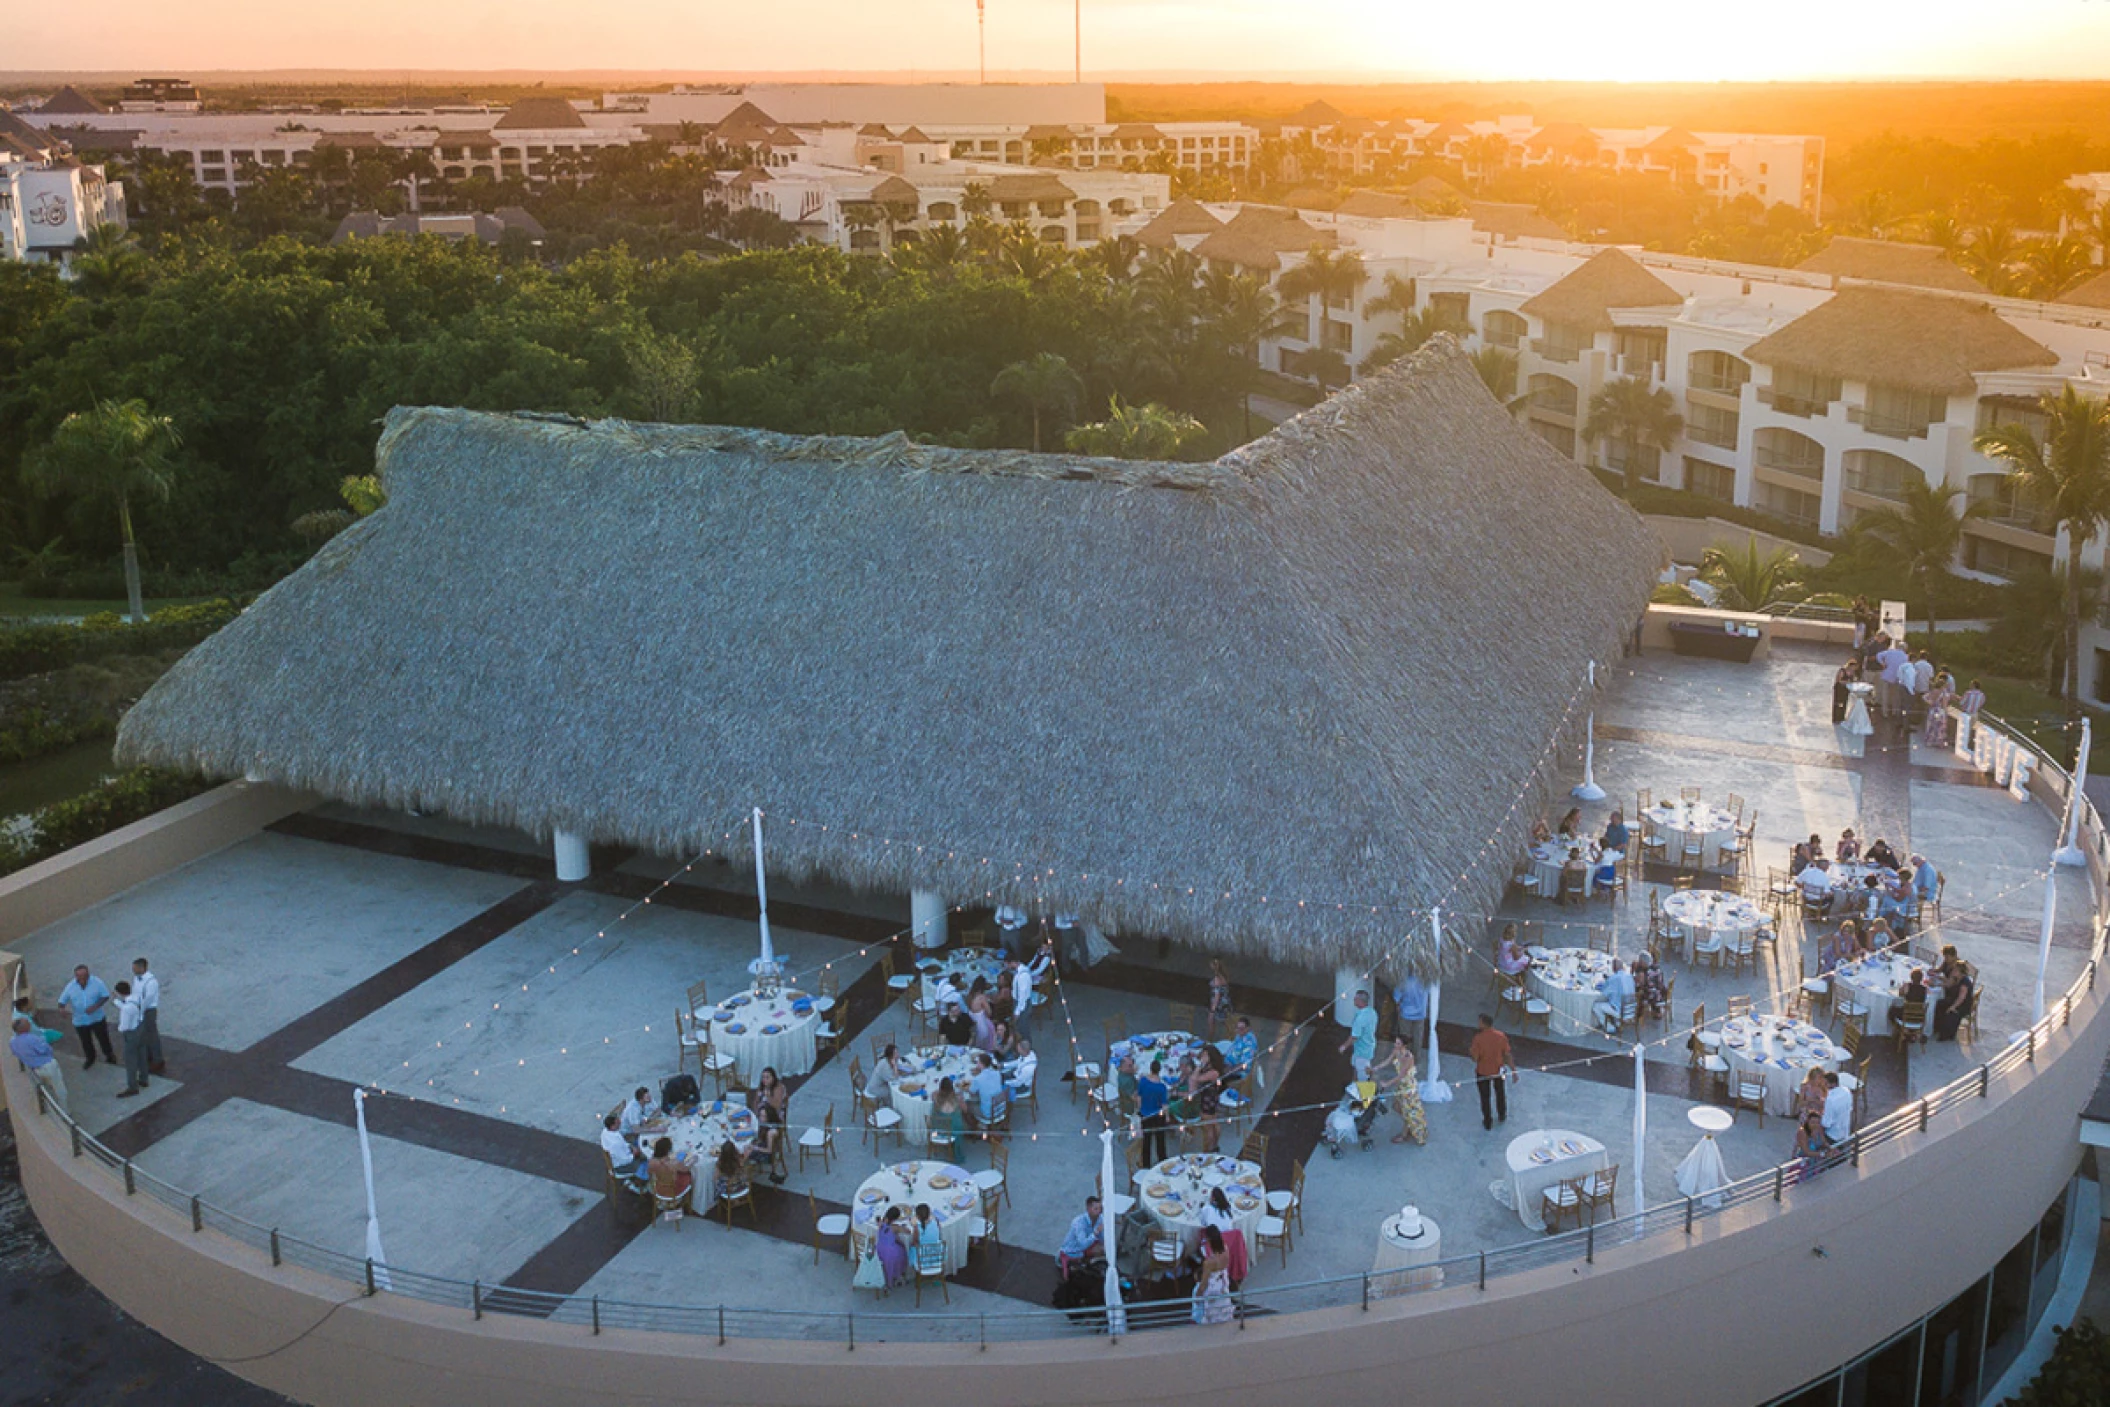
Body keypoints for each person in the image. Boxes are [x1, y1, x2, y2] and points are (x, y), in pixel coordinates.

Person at [56, 964, 115, 1069]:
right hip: (80, 1021)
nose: (83, 979)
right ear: (76, 976)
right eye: (80, 977)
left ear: (88, 974)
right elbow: (62, 1001)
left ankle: (109, 1055)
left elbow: (105, 996)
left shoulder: (97, 982)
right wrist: (61, 1009)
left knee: (103, 1039)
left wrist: (95, 1006)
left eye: (85, 976)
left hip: (97, 1018)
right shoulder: (70, 986)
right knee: (85, 1041)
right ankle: (90, 1058)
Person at [10, 1015, 68, 1115]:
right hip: (48, 1066)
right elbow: (46, 1050)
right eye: (28, 1024)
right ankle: (65, 1112)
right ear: (24, 1028)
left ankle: (52, 1109)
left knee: (44, 1090)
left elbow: (16, 1054)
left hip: (34, 1070)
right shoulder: (33, 1038)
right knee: (59, 1089)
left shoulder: (13, 1042)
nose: (30, 1025)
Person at [1376, 1036, 1428, 1146]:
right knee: (1396, 1107)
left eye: (1398, 1043)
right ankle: (1408, 1124)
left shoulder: (1408, 1057)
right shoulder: (1396, 1051)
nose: (1395, 1045)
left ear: (1404, 1045)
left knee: (1407, 1111)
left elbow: (1401, 1075)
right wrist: (1376, 1068)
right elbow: (1388, 1061)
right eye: (1395, 1043)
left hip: (1408, 1087)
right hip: (1401, 1086)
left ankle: (1405, 1134)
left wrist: (1387, 1083)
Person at [1470, 1013, 1513, 1132]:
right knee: (1500, 1093)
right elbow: (1507, 1053)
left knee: (1485, 1097)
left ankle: (1488, 1121)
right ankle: (1502, 1114)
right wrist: (1513, 1070)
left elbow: (1475, 1057)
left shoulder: (1478, 1038)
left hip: (1483, 1071)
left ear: (1483, 1023)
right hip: (1498, 1070)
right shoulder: (1501, 1036)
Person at [1007, 940, 1054, 1042]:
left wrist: (1017, 1012)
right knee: (1020, 1027)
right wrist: (1028, 968)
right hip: (1028, 976)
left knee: (1023, 1028)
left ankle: (1025, 1046)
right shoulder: (1037, 954)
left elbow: (1023, 997)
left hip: (1035, 977)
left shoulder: (1024, 976)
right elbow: (1033, 961)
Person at [112, 980, 150, 1097]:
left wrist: (119, 1028)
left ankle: (132, 1086)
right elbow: (127, 1006)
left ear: (120, 993)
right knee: (142, 1055)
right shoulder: (137, 998)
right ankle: (144, 1078)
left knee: (130, 1061)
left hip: (131, 1034)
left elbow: (124, 1026)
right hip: (140, 1028)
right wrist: (116, 1001)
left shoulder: (127, 1009)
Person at [1191, 1224, 1234, 1326]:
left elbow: (1204, 1284)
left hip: (1213, 1285)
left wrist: (1197, 1296)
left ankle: (1198, 1319)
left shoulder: (1209, 1263)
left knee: (1196, 1293)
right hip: (1222, 1281)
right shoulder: (1225, 1248)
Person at [130, 957, 164, 1074]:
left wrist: (139, 1008)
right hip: (139, 1009)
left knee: (152, 1035)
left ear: (142, 968)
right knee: (144, 1034)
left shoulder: (151, 982)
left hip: (148, 1010)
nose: (133, 970)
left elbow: (148, 998)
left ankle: (157, 1059)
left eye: (135, 968)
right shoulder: (136, 979)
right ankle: (148, 1055)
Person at [1136, 1058, 1172, 1165]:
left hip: (1145, 1115)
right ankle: (1162, 1161)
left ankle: (1146, 1163)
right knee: (1160, 1141)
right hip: (1157, 1116)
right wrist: (1167, 1116)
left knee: (1146, 1141)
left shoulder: (1143, 1081)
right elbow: (1164, 1105)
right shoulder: (1161, 1087)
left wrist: (1140, 1109)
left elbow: (1139, 1097)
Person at [1338, 988, 1378, 1079]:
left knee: (1362, 1073)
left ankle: (1361, 1088)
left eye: (1355, 999)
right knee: (1358, 1069)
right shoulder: (1372, 1012)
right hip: (1369, 1046)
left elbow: (1354, 1036)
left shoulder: (1360, 1019)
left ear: (1360, 1001)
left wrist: (1343, 1047)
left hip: (1362, 1050)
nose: (1354, 1000)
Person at [651, 1136, 695, 1212]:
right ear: (668, 1150)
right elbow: (686, 1169)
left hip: (658, 1188)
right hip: (673, 1191)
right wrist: (694, 1160)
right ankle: (680, 1201)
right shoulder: (674, 1163)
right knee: (690, 1175)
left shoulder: (652, 1160)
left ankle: (665, 1202)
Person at [1933, 962, 1976, 1041]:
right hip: (1954, 999)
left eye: (1956, 970)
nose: (1953, 971)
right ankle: (1937, 1027)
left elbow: (1961, 998)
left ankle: (1946, 1035)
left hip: (1962, 1005)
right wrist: (1936, 984)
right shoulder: (1955, 978)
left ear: (1961, 972)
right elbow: (1948, 984)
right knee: (1939, 1004)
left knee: (1950, 1013)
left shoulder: (1965, 983)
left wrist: (1952, 1007)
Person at [1059, 1195, 1104, 1269]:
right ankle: (1083, 1263)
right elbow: (1083, 1244)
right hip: (1074, 1249)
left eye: (1100, 1209)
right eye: (1096, 1209)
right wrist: (1096, 1233)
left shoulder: (1100, 1218)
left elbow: (1101, 1237)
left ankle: (1088, 1262)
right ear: (1088, 1209)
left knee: (1103, 1249)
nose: (1099, 1212)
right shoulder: (1079, 1222)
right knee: (1099, 1250)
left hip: (1087, 1243)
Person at [747, 1100, 787, 1183]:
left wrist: (755, 1147)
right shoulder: (769, 1125)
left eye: (764, 1116)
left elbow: (769, 1151)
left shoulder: (770, 1132)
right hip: (763, 1146)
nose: (761, 1119)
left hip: (767, 1155)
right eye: (761, 1116)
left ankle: (743, 1176)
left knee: (744, 1151)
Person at [1592, 959, 1635, 1034]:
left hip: (1621, 1011)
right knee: (1615, 999)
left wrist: (1598, 984)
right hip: (1632, 1010)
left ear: (1613, 968)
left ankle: (1610, 1028)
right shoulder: (1630, 977)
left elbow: (1604, 993)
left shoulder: (1613, 978)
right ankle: (1617, 1022)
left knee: (1596, 1006)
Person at [599, 1113, 645, 1180]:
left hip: (620, 1156)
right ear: (612, 1126)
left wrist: (631, 1147)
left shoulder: (606, 1131)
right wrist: (635, 1154)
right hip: (622, 1166)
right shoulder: (615, 1144)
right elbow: (625, 1160)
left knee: (636, 1143)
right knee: (647, 1161)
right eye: (618, 1122)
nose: (620, 1122)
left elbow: (623, 1144)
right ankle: (640, 1183)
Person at [968, 1052, 1007, 1126]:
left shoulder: (978, 1079)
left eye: (978, 1062)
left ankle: (975, 1127)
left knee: (968, 1104)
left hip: (988, 1113)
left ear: (981, 1064)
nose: (977, 1064)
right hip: (1001, 1109)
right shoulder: (997, 1073)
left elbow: (971, 1092)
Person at [1889, 967, 1930, 1037]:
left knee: (1891, 1011)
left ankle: (1903, 1029)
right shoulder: (1925, 989)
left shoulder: (1907, 986)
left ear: (1911, 977)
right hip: (1919, 1017)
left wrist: (1902, 987)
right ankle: (1914, 1031)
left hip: (1906, 1015)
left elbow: (1900, 994)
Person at [1391, 974, 1429, 1049]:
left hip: (1406, 1013)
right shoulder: (1426, 981)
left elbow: (1396, 997)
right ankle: (1416, 1057)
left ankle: (1405, 1057)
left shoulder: (1403, 981)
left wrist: (1398, 1008)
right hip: (1421, 1014)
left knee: (1405, 1038)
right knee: (1418, 1038)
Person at [877, 1205, 911, 1287]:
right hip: (890, 1252)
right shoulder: (895, 1227)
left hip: (880, 1249)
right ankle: (899, 1274)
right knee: (904, 1253)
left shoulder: (881, 1222)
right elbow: (908, 1231)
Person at [930, 1077, 968, 1149]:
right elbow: (965, 1110)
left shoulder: (935, 1096)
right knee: (963, 1119)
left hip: (939, 1129)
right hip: (953, 1131)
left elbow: (933, 1093)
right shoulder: (958, 1099)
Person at [1218, 1016, 1258, 1080]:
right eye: (1237, 1028)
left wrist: (1229, 1070)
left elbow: (1244, 1065)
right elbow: (1232, 1050)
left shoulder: (1249, 1044)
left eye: (1241, 1029)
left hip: (1237, 1072)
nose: (1239, 1031)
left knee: (1214, 1076)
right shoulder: (1240, 1035)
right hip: (1227, 1064)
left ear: (1248, 1028)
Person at [1820, 1071, 1853, 1147]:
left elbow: (1826, 1123)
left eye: (1825, 1083)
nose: (1823, 1086)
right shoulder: (1847, 1091)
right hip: (1844, 1132)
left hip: (1832, 1135)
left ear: (1833, 1084)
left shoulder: (1830, 1100)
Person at [1633, 951, 1669, 1020]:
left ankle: (1639, 1015)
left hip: (1654, 996)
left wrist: (1635, 974)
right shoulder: (1656, 967)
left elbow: (1641, 984)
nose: (1639, 963)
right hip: (1662, 992)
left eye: (1640, 961)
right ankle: (1656, 1010)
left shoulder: (1647, 972)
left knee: (1639, 994)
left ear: (1644, 962)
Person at [1923, 672, 1955, 747]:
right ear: (1943, 685)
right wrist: (1946, 713)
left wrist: (1929, 702)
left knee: (1931, 726)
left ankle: (1929, 741)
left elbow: (1924, 697)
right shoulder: (1945, 693)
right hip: (1940, 711)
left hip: (1933, 710)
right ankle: (1939, 742)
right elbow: (1944, 705)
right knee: (1940, 727)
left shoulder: (1934, 691)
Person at [1003, 1036, 1039, 1101]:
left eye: (1018, 1048)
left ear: (1023, 1050)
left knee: (999, 1086)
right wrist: (1004, 1065)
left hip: (1022, 1086)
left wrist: (1005, 1082)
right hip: (1017, 1076)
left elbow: (1018, 1083)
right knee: (1000, 1075)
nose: (1017, 1049)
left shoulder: (1028, 1068)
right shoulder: (1028, 1054)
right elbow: (1017, 1062)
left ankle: (1003, 1106)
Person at [1206, 959, 1233, 1037]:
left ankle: (1209, 1040)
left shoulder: (1217, 978)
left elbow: (1217, 995)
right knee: (1226, 1024)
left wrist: (1212, 1010)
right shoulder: (1224, 976)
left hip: (1219, 1005)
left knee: (1211, 1023)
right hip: (1225, 1002)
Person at [1115, 1051, 1140, 1120]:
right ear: (1123, 1067)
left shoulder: (1122, 1072)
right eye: (1130, 1066)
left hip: (1124, 1099)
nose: (1132, 1067)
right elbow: (1135, 1098)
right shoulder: (1127, 1082)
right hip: (1130, 1107)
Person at [1832, 657, 1858, 726]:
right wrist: (1846, 682)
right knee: (1838, 703)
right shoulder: (1842, 671)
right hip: (1839, 688)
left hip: (1846, 689)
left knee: (1844, 703)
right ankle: (1836, 718)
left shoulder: (1852, 672)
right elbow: (1839, 680)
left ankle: (1841, 717)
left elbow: (1853, 679)